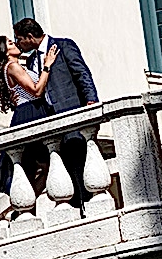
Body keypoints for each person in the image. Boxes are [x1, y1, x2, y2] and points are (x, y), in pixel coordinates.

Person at [13, 18, 98, 208]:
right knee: (64, 170)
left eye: (19, 39)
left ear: (29, 36)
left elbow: (82, 74)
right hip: (51, 124)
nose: (18, 43)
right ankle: (77, 211)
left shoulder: (63, 46)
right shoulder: (33, 59)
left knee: (81, 166)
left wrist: (91, 102)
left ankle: (89, 208)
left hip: (72, 116)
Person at [0, 35, 58, 193]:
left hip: (29, 112)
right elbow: (36, 90)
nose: (16, 44)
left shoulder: (14, 67)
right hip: (31, 113)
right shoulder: (12, 66)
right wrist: (47, 65)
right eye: (11, 43)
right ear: (5, 52)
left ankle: (25, 205)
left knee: (38, 168)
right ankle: (24, 205)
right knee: (45, 164)